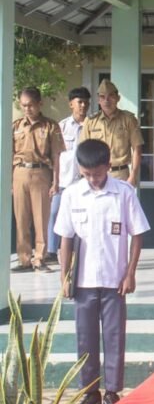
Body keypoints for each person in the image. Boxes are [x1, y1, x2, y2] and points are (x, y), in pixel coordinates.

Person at [55, 139, 149, 404]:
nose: (93, 179)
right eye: (86, 174)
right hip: (82, 282)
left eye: (97, 173)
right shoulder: (72, 194)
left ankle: (112, 391)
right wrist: (64, 277)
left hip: (114, 279)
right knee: (85, 337)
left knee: (114, 335)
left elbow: (138, 234)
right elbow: (65, 238)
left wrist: (131, 273)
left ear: (109, 166)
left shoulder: (124, 193)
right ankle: (89, 392)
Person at [11, 87, 65, 273]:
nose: (27, 109)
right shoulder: (16, 126)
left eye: (31, 105)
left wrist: (56, 182)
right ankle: (24, 259)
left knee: (41, 219)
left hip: (41, 173)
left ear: (39, 104)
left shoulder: (50, 126)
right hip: (20, 173)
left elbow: (57, 156)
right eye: (24, 105)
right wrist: (9, 180)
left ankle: (39, 258)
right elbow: (9, 154)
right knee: (21, 219)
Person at [46, 87, 91, 265]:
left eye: (86, 102)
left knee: (84, 216)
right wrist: (54, 180)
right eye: (79, 102)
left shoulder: (93, 125)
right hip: (64, 180)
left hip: (85, 180)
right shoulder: (61, 127)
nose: (83, 106)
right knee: (55, 212)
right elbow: (55, 154)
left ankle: (80, 251)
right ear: (71, 103)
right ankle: (51, 250)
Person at [80, 79, 143, 186]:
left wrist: (133, 175)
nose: (106, 101)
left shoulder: (128, 119)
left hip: (121, 175)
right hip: (96, 175)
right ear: (98, 100)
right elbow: (83, 151)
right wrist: (84, 175)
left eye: (111, 96)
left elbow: (137, 148)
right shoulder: (90, 121)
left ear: (118, 98)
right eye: (102, 97)